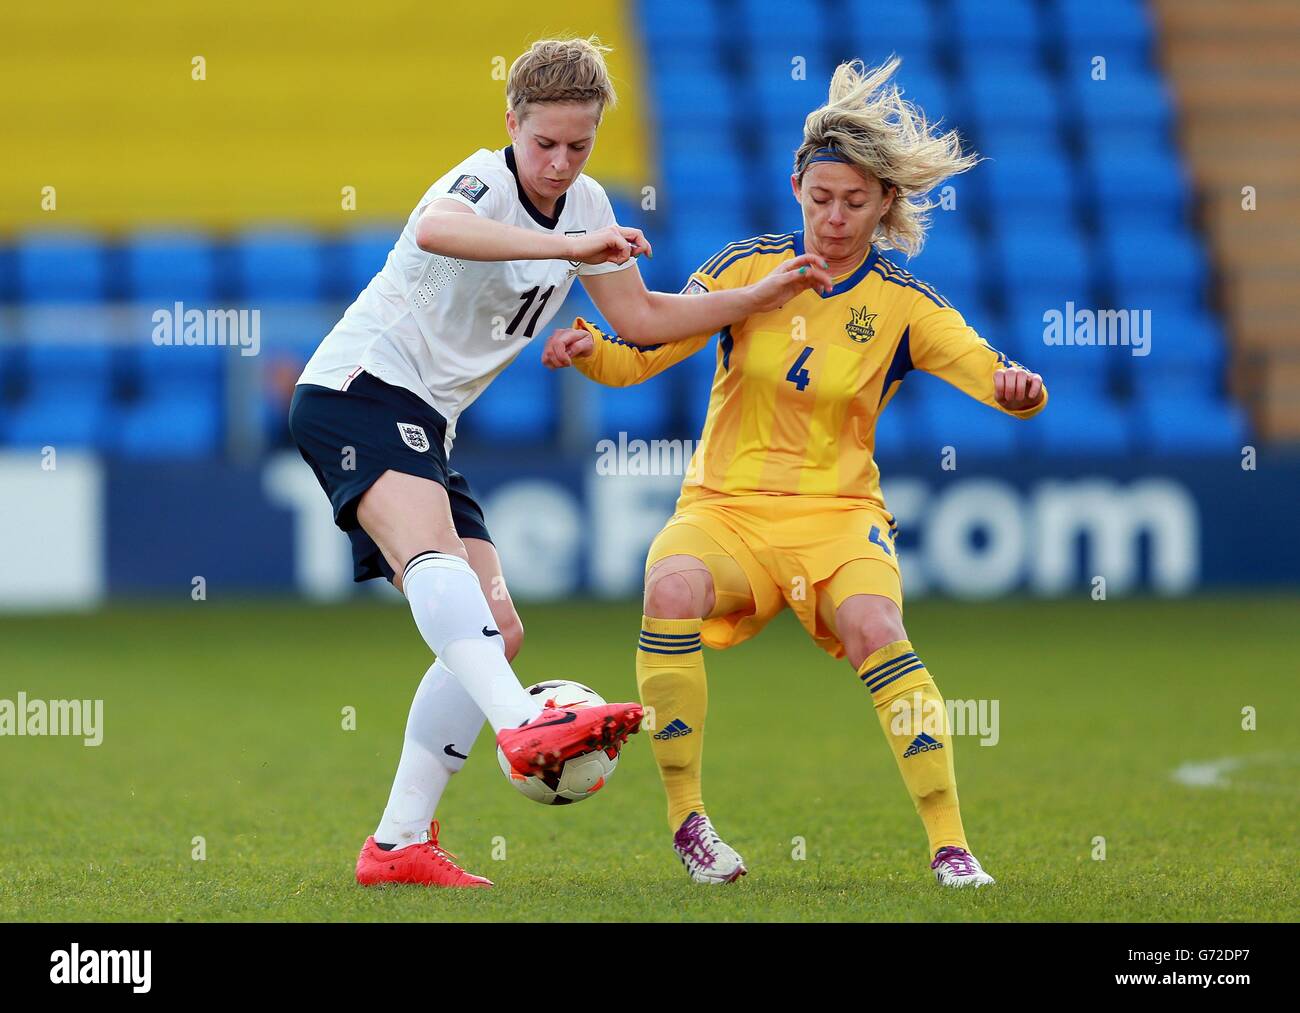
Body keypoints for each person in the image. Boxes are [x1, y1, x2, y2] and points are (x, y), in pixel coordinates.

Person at [288, 36, 832, 888]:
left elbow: (646, 318)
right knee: (437, 558)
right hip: (358, 390)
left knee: (498, 629)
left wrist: (752, 299)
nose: (559, 160)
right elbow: (437, 228)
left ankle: (397, 844)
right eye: (545, 142)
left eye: (578, 145)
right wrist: (566, 252)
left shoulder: (586, 207)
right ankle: (524, 720)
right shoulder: (481, 180)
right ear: (513, 123)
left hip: (427, 423)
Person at [542, 56, 1047, 888]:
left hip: (838, 515)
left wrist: (1018, 391)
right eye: (821, 199)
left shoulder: (904, 304)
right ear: (796, 189)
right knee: (669, 586)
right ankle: (688, 823)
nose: (835, 218)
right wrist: (591, 350)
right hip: (726, 508)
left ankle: (952, 845)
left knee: (879, 631)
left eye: (854, 202)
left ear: (886, 202)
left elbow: (991, 373)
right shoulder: (748, 269)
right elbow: (644, 352)